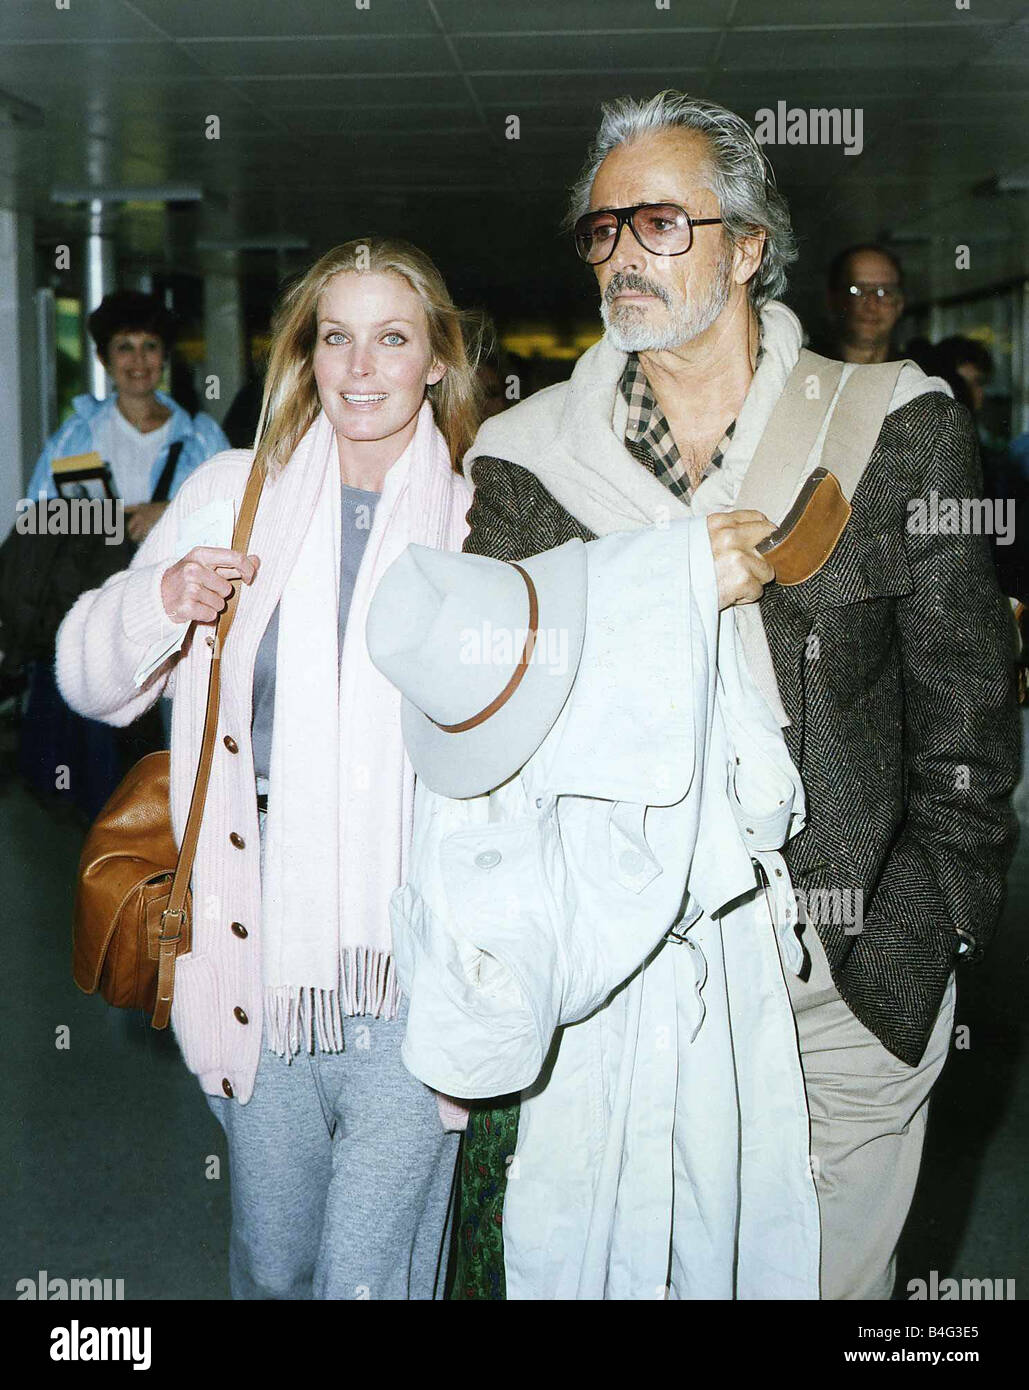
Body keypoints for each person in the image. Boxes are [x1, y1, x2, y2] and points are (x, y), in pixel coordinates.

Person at [452, 90, 1020, 1300]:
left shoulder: (894, 428)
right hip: (630, 989)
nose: (623, 255)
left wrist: (934, 919)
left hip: (841, 981)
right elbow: (497, 719)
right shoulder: (528, 459)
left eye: (660, 222)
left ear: (750, 246)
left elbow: (968, 701)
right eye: (602, 231)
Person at [55, 239, 480, 1299]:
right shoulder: (231, 493)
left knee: (369, 1277)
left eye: (393, 338)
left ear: (436, 360)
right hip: (255, 941)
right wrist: (160, 602)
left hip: (412, 959)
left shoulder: (484, 514)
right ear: (306, 353)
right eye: (337, 337)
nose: (362, 367)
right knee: (278, 1267)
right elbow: (82, 677)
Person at [17, 291, 228, 817]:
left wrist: (167, 511)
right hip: (104, 615)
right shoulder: (78, 435)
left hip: (182, 620)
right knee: (99, 767)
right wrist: (116, 520)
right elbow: (40, 523)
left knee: (174, 755)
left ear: (166, 356)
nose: (139, 361)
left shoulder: (201, 438)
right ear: (105, 360)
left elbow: (236, 517)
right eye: (125, 348)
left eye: (150, 346)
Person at [821, 243, 906, 363]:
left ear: (900, 304)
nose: (871, 306)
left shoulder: (919, 377)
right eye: (857, 291)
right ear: (832, 299)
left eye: (884, 292)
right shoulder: (804, 373)